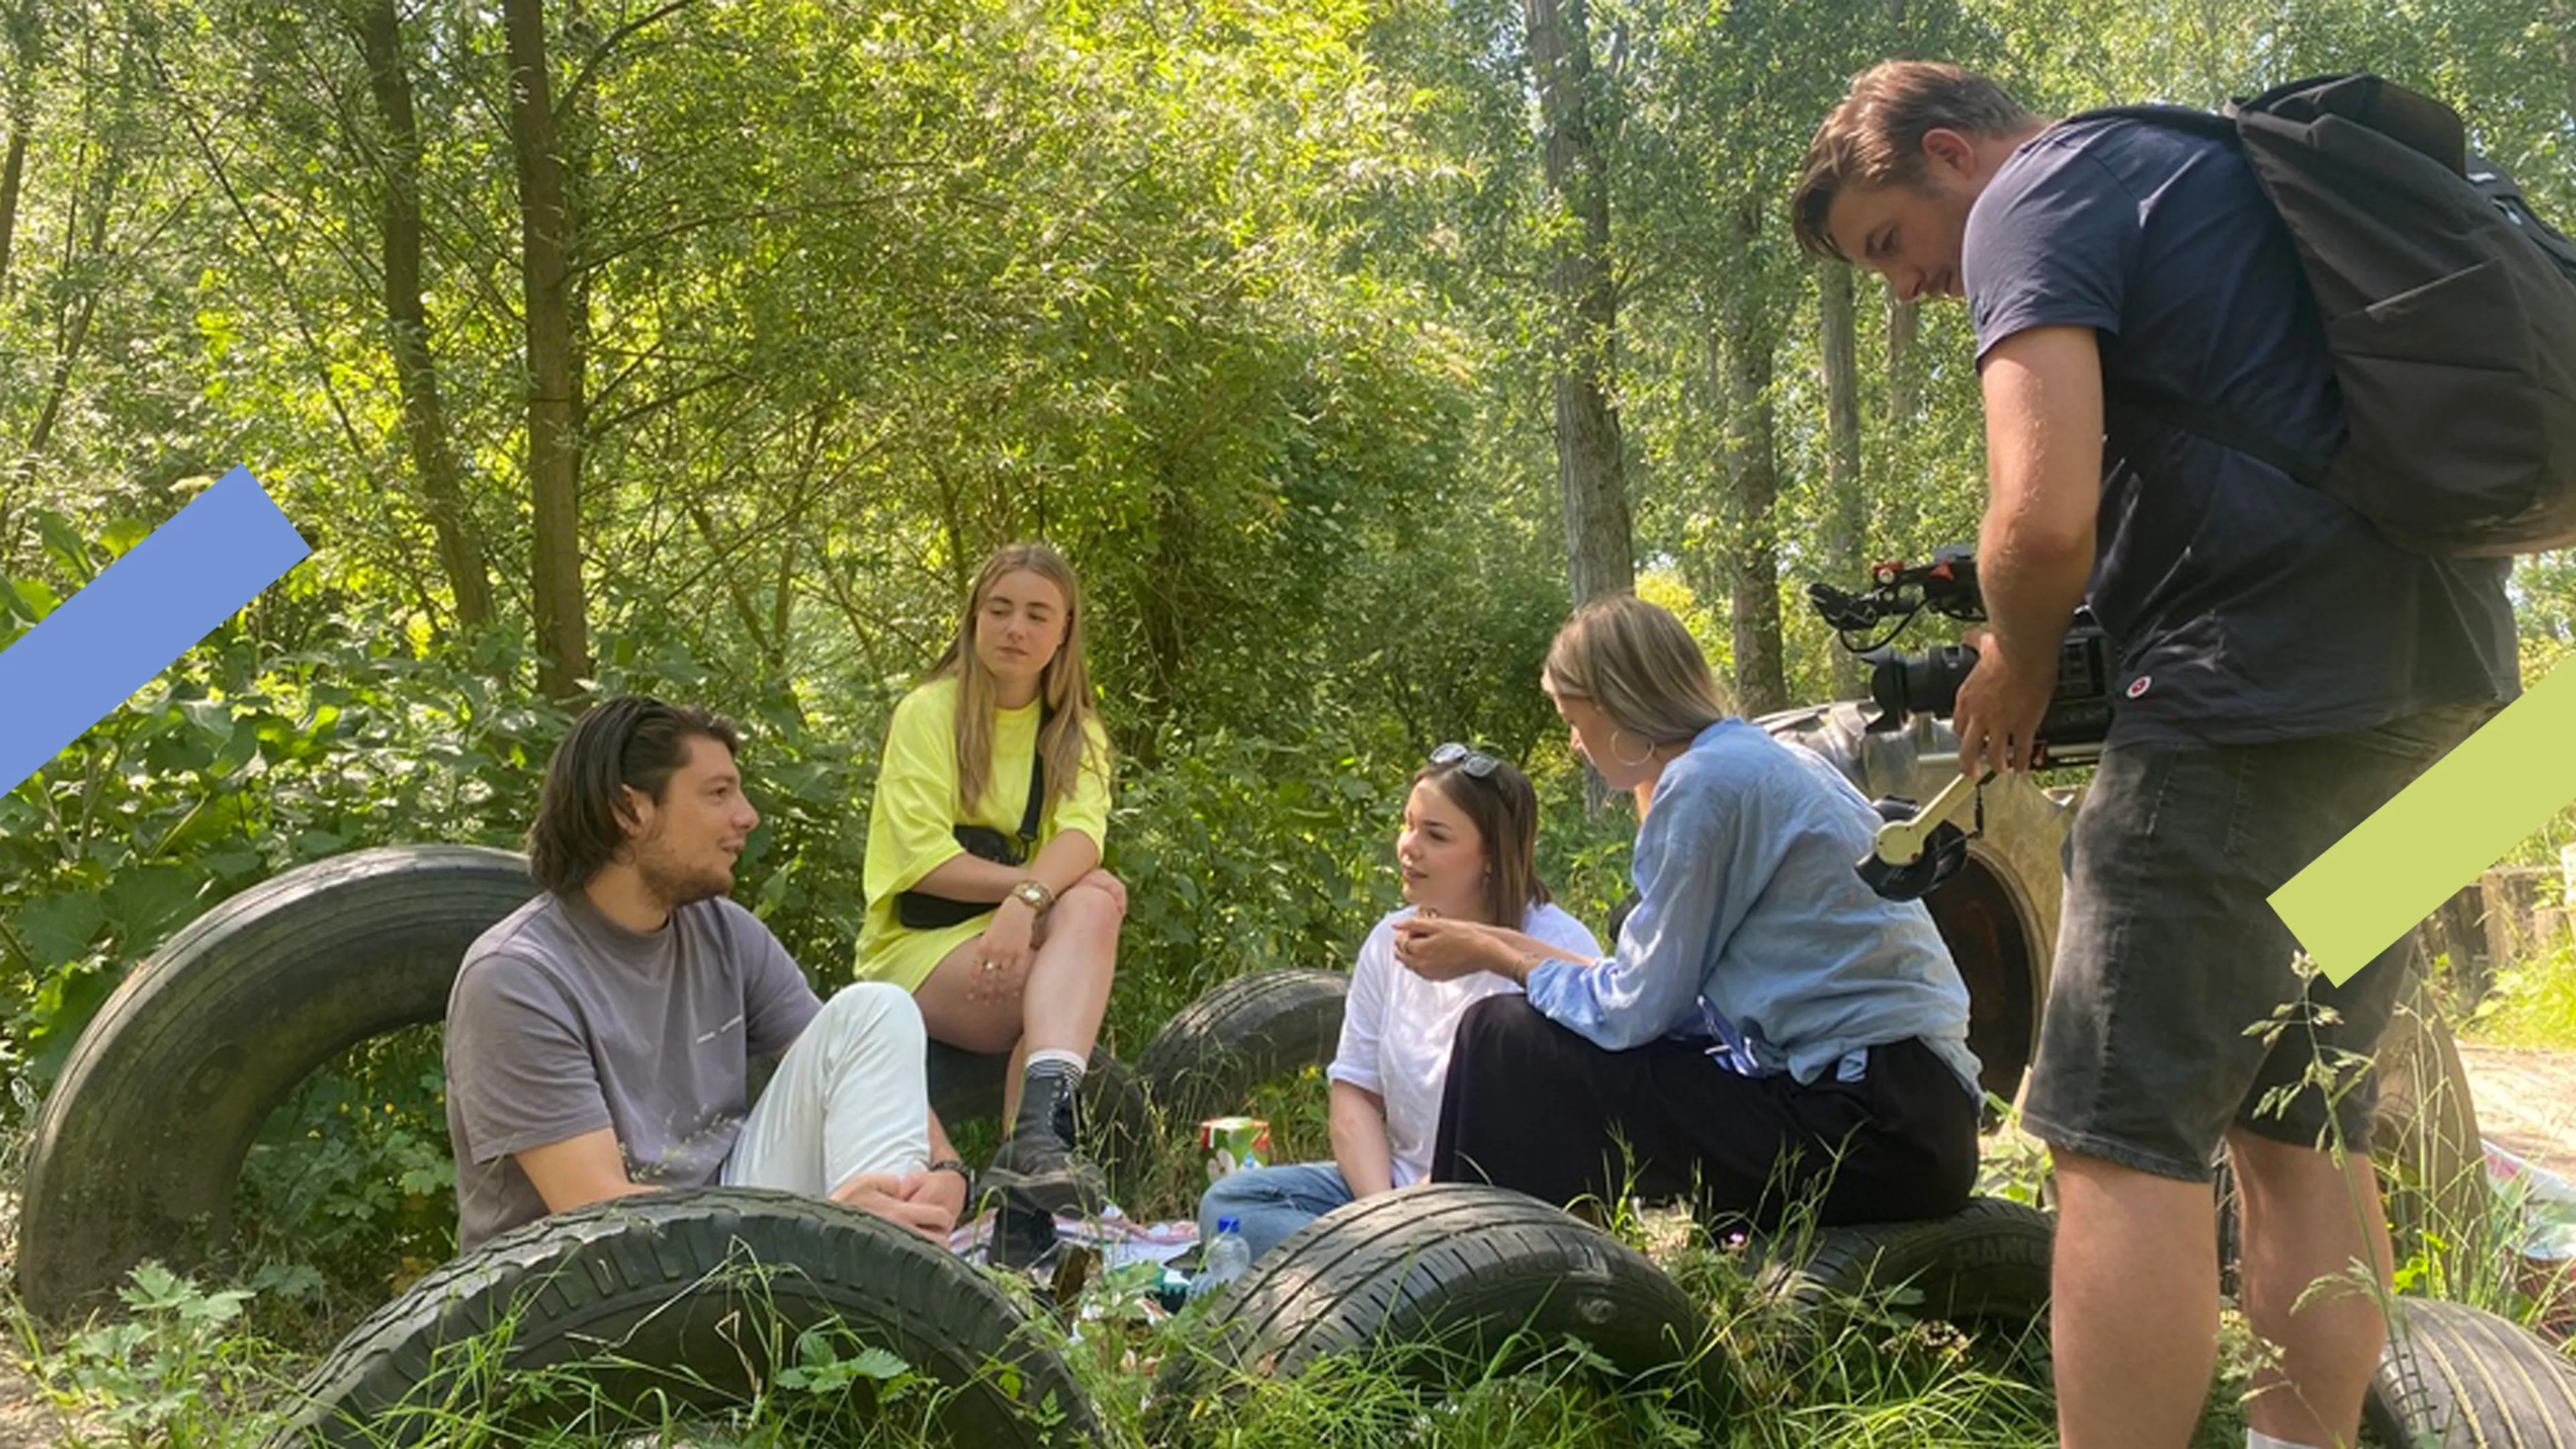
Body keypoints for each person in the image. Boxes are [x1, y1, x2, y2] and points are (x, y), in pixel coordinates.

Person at [1791, 62, 2518, 1449]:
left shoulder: (2036, 194)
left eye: (1890, 242)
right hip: (2458, 710)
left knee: (2117, 1135)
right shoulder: (2211, 173)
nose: (1908, 287)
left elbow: (2042, 519)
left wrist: (2012, 665)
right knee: (2304, 1127)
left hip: (2256, 706)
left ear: (1948, 152)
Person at [1397, 595, 1982, 1230]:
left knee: (1502, 1038)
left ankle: (1467, 1261)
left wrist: (1495, 955)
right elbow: (1665, 1003)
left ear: (1616, 705)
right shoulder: (1770, 759)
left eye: (1573, 719)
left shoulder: (1706, 782)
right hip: (1915, 1115)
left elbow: (1631, 1012)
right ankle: (1487, 1253)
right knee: (1524, 1036)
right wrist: (1490, 941)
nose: (1574, 744)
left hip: (1866, 1125)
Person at [445, 696, 968, 1253]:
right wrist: (825, 1225)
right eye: (718, 793)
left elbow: (854, 1059)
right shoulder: (516, 978)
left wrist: (947, 1169)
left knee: (876, 1010)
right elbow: (598, 1215)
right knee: (848, 1232)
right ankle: (880, 1266)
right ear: (628, 811)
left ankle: (893, 1264)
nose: (747, 816)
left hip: (728, 1234)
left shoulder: (725, 932)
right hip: (586, 1277)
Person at [1195, 745, 1601, 1259]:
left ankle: (1378, 1279)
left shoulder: (1557, 950)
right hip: (1394, 1197)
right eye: (1408, 825)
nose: (1409, 847)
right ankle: (1392, 1274)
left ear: (1493, 855)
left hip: (1506, 1212)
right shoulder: (1388, 940)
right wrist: (1383, 1219)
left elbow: (1564, 1136)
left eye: (1436, 835)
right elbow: (1354, 1094)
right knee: (1232, 1204)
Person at [854, 543, 1123, 1201]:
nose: (1015, 629)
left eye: (1037, 614)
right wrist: (1027, 894)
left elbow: (1083, 839)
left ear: (1064, 631)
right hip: (918, 953)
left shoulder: (1076, 733)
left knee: (1096, 899)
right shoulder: (930, 712)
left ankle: (1033, 1147)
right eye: (999, 610)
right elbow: (921, 859)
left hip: (1018, 940)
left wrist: (1024, 904)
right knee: (1065, 978)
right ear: (974, 618)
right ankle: (1035, 1145)